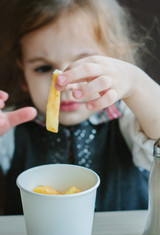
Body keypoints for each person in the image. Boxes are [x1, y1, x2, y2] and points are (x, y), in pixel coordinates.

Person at [0, 0, 160, 215]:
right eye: (44, 68)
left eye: (84, 66)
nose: (63, 84)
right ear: (23, 75)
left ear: (117, 62)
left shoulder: (128, 119)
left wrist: (136, 83)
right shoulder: (10, 126)